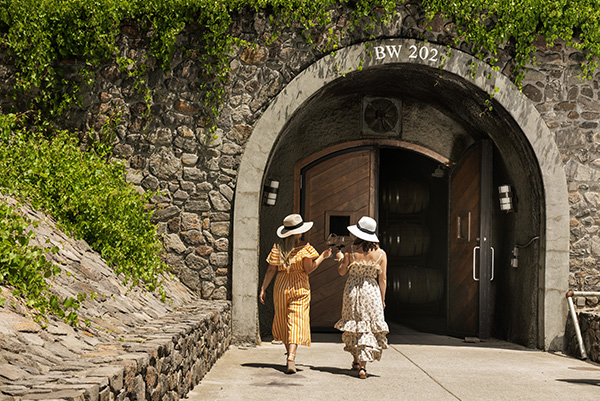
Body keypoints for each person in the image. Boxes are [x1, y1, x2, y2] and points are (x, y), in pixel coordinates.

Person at [259, 213, 331, 374]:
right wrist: (322, 257)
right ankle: (291, 356)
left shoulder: (278, 247)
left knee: (284, 320)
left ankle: (290, 355)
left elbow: (271, 269)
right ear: (298, 231)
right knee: (296, 321)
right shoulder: (305, 247)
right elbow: (309, 269)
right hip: (300, 286)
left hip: (281, 286)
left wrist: (263, 288)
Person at [334, 216, 389, 379]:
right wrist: (382, 299)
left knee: (355, 325)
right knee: (368, 328)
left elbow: (341, 272)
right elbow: (383, 279)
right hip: (371, 292)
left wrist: (340, 259)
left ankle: (357, 361)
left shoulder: (351, 250)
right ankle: (362, 367)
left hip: (353, 291)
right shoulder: (381, 254)